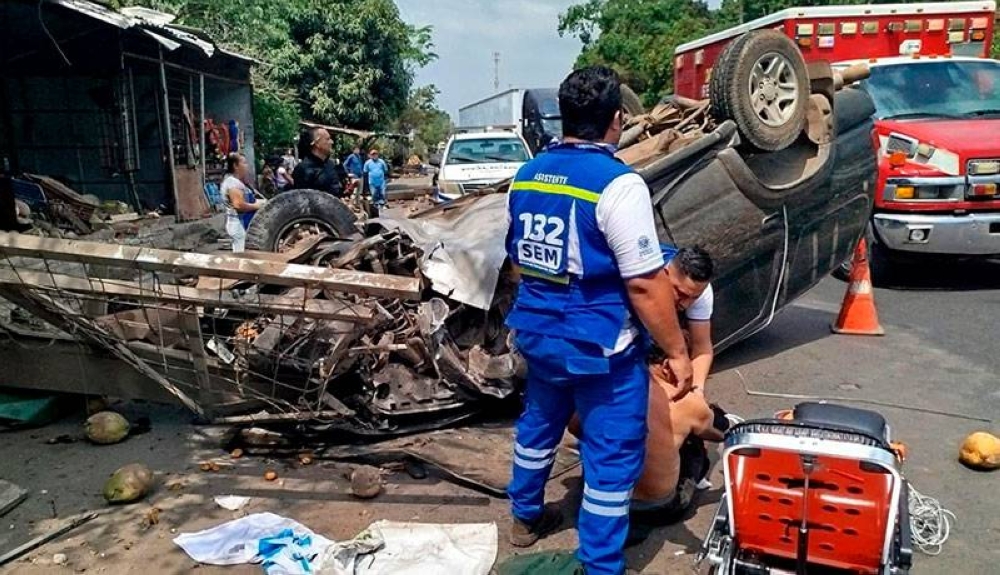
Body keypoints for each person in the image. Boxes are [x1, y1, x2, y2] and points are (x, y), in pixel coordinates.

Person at [504, 65, 693, 575]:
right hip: (599, 348)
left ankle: (523, 519)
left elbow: (520, 260)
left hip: (539, 336)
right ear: (616, 120)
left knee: (538, 428)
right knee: (612, 454)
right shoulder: (619, 184)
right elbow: (644, 283)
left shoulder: (526, 174)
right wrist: (677, 351)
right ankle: (601, 564)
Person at [221, 153, 265, 253]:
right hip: (238, 224)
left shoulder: (236, 181)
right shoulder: (233, 183)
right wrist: (257, 206)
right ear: (235, 166)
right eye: (244, 163)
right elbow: (238, 205)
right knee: (240, 256)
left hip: (241, 223)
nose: (246, 165)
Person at [290, 127, 346, 196]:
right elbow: (301, 200)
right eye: (327, 139)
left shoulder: (331, 165)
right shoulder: (303, 169)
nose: (332, 142)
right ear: (317, 144)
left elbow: (339, 192)